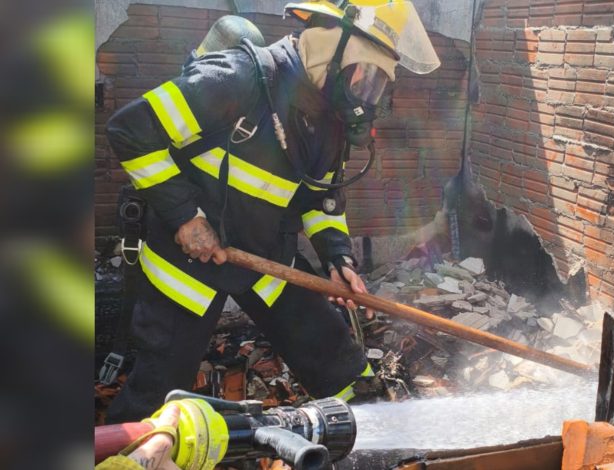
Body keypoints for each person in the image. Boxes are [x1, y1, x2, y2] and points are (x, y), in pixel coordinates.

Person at [105, 0, 440, 423]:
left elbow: (322, 200)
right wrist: (186, 217)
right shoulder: (238, 78)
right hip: (187, 261)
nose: (365, 96)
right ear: (331, 49)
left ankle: (372, 427)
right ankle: (122, 450)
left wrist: (338, 259)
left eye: (376, 85)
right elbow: (130, 129)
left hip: (263, 256)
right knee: (161, 383)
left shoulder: (330, 118)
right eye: (365, 75)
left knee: (330, 348)